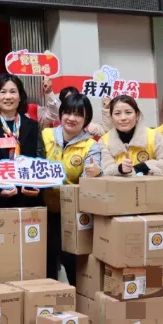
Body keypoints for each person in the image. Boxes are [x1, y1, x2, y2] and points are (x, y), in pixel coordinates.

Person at [40, 94, 103, 284]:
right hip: (42, 209)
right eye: (67, 112)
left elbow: (88, 179)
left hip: (71, 213)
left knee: (71, 260)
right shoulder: (45, 135)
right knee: (46, 259)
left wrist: (95, 173)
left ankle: (78, 298)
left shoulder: (91, 145)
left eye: (78, 114)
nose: (71, 118)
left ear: (86, 119)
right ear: (61, 114)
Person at [0, 74, 42, 208]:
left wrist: (37, 186)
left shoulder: (33, 125)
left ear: (20, 97)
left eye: (13, 92)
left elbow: (40, 158)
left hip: (28, 197)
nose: (8, 97)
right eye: (3, 92)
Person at [100, 95, 163, 176]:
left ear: (137, 115)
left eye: (128, 112)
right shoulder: (104, 141)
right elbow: (105, 170)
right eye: (117, 113)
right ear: (111, 116)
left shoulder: (154, 136)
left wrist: (144, 167)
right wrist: (119, 169)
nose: (123, 118)